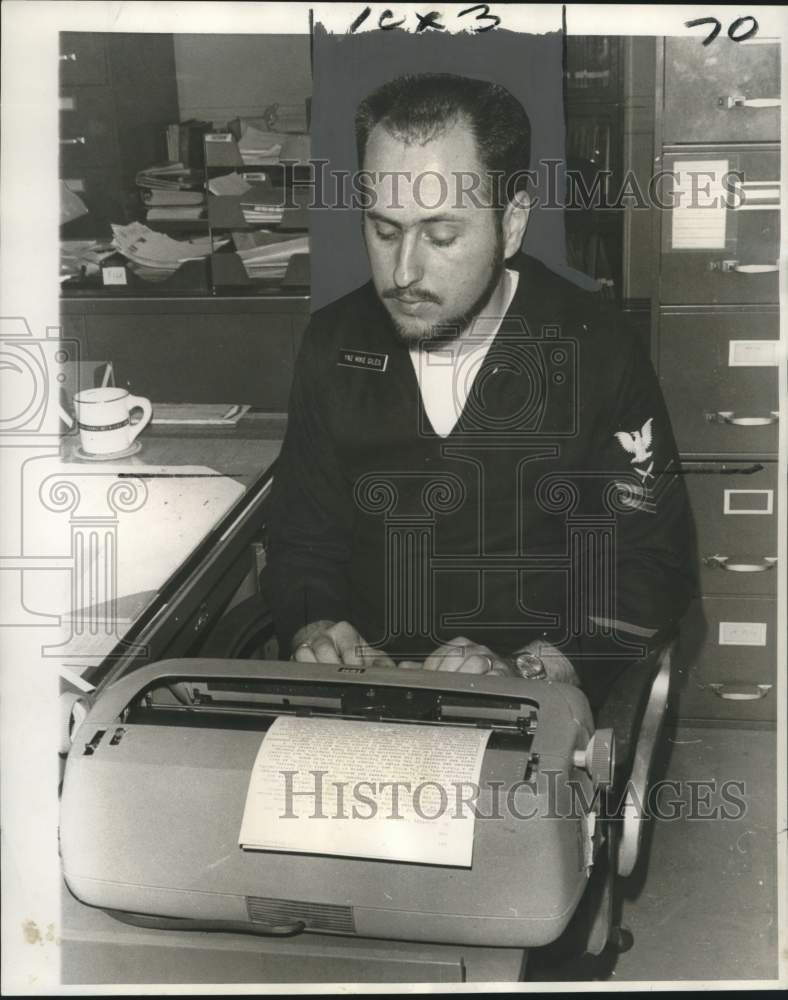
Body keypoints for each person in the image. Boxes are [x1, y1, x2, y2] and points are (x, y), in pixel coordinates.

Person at [267, 72, 695, 712]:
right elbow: (303, 537)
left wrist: (533, 667)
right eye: (385, 232)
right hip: (368, 695)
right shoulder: (335, 342)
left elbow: (650, 562)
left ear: (512, 223)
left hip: (528, 698)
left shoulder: (595, 347)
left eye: (441, 237)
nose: (404, 273)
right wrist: (316, 627)